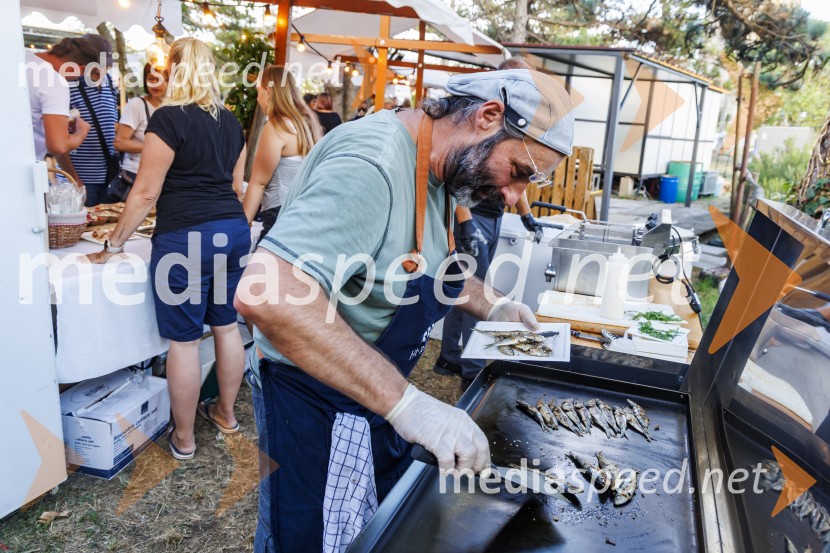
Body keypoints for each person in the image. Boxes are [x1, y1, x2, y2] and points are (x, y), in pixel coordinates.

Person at [235, 68, 574, 552]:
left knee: (368, 529)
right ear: (488, 116)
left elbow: (428, 267)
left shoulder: (436, 166)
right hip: (313, 400)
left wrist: (494, 305)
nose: (513, 196)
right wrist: (408, 403)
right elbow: (266, 293)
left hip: (368, 394)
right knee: (309, 539)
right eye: (519, 173)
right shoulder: (370, 164)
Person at [87, 37, 249, 461]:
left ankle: (184, 438)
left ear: (176, 69)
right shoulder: (231, 122)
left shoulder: (167, 119)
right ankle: (226, 414)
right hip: (232, 232)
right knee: (227, 326)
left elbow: (143, 193)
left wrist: (114, 243)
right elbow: (236, 186)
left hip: (187, 238)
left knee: (184, 342)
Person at [435, 56, 556, 390]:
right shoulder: (485, 127)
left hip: (493, 217)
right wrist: (466, 224)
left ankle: (451, 355)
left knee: (468, 284)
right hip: (473, 216)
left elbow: (520, 175)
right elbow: (459, 182)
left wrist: (527, 215)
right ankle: (469, 366)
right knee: (470, 283)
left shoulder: (517, 132)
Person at [243, 65, 322, 242]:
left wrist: (241, 226)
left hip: (279, 214)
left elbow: (258, 183)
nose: (258, 98)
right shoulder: (307, 124)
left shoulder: (277, 127)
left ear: (269, 92)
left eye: (258, 91)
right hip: (305, 213)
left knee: (262, 267)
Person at [55, 34, 120, 206]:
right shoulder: (68, 85)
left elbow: (110, 122)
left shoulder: (109, 82)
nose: (100, 73)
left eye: (104, 68)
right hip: (81, 179)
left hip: (110, 175)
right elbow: (58, 143)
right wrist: (75, 180)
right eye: (95, 68)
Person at [24, 36, 95, 166]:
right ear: (81, 68)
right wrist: (82, 131)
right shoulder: (54, 81)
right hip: (18, 167)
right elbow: (58, 147)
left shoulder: (22, 58)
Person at [113, 63, 168, 187]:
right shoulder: (137, 104)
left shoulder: (174, 107)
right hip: (136, 175)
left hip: (165, 177)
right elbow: (119, 142)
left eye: (159, 79)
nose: (154, 83)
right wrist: (154, 148)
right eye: (151, 78)